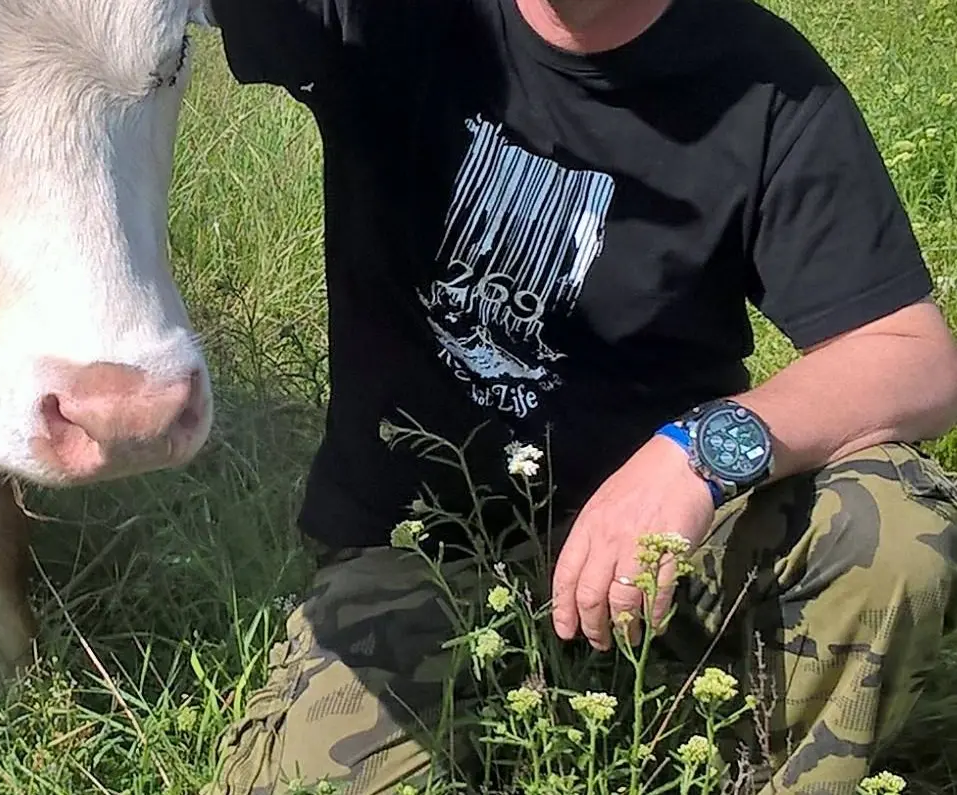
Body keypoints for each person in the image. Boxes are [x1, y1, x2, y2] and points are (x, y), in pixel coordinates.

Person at [195, 0, 957, 793]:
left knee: (888, 529)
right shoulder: (387, 16)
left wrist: (694, 453)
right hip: (425, 559)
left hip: (662, 563)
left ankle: (755, 764)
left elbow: (911, 358)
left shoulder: (764, 85)